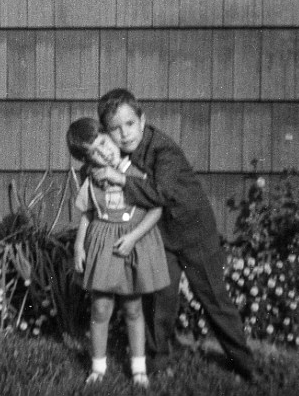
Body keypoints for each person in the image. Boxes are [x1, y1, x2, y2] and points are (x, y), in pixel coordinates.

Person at [90, 88, 255, 382]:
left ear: (143, 121)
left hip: (194, 231)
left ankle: (244, 364)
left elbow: (161, 193)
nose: (125, 134)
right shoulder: (117, 153)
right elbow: (92, 160)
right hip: (160, 234)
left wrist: (119, 178)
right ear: (107, 133)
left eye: (130, 124)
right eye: (115, 129)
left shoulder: (162, 149)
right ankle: (156, 360)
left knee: (213, 297)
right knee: (160, 299)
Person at [66, 117, 170, 389]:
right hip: (102, 245)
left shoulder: (136, 171)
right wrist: (79, 245)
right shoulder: (91, 180)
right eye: (94, 153)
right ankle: (98, 367)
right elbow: (89, 213)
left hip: (130, 243)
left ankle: (138, 369)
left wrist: (134, 237)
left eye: (103, 143)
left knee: (133, 308)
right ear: (87, 160)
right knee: (100, 307)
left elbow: (156, 208)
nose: (103, 152)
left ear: (109, 136)